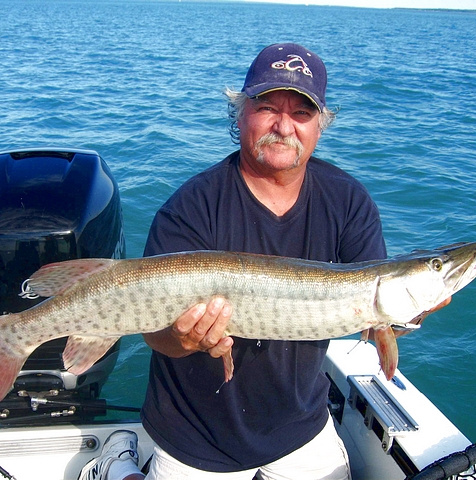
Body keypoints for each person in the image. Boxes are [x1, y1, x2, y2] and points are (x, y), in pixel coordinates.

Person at [79, 42, 447, 480]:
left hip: (300, 426)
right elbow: (158, 337)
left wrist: (407, 317)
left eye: (301, 113)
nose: (283, 125)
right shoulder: (191, 207)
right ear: (241, 114)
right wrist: (186, 339)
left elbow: (378, 314)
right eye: (267, 106)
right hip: (196, 435)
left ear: (319, 126)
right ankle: (120, 468)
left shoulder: (348, 200)